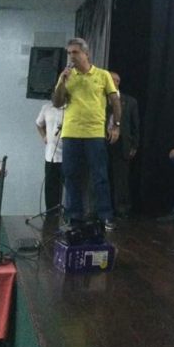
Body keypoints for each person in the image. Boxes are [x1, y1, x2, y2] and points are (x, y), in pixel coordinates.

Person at [51, 37, 120, 231]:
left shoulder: (103, 75)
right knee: (71, 176)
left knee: (100, 176)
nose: (71, 56)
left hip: (94, 133)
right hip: (71, 132)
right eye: (69, 53)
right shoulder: (66, 76)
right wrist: (62, 82)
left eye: (75, 52)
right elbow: (57, 103)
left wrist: (116, 125)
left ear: (86, 54)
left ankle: (105, 216)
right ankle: (75, 216)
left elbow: (115, 102)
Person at [107, 72, 139, 218]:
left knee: (121, 178)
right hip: (103, 140)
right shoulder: (100, 99)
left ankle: (121, 209)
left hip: (122, 143)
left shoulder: (130, 101)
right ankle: (101, 208)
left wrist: (134, 145)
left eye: (112, 80)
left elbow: (135, 125)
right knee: (102, 175)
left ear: (118, 82)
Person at [35, 102, 65, 214]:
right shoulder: (46, 107)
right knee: (51, 187)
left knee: (70, 187)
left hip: (67, 155)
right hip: (51, 155)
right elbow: (39, 123)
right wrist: (44, 136)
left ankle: (69, 216)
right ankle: (51, 215)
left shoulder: (71, 107)